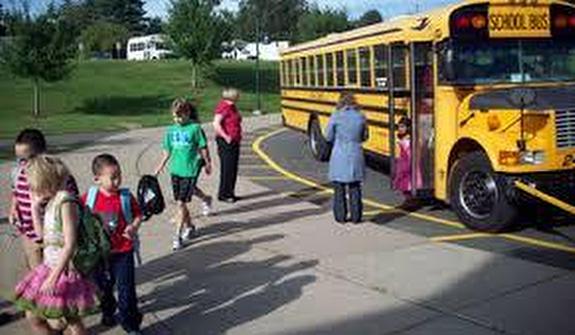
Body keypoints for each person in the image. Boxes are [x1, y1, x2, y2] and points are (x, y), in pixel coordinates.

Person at [13, 155, 97, 335]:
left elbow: (70, 244)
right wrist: (35, 208)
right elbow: (42, 237)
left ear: (45, 181)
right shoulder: (52, 201)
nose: (31, 188)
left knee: (71, 319)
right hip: (49, 266)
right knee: (34, 315)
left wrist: (53, 277)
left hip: (63, 272)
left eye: (33, 184)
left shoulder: (66, 201)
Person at [82, 154, 143, 334]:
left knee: (127, 292)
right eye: (112, 177)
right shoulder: (88, 198)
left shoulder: (125, 196)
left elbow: (138, 214)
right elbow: (75, 215)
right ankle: (108, 310)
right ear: (97, 179)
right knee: (103, 289)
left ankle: (131, 325)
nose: (117, 181)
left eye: (119, 175)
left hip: (123, 251)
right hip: (99, 255)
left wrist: (133, 226)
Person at [9, 129, 80, 270]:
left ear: (43, 154)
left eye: (26, 159)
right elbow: (15, 192)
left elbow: (72, 206)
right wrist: (13, 209)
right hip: (29, 237)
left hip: (55, 241)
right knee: (37, 277)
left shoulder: (60, 177)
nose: (22, 164)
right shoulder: (18, 173)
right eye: (18, 159)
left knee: (57, 281)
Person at [155, 98, 212, 251]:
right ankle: (193, 221)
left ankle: (177, 237)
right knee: (184, 198)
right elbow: (167, 151)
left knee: (181, 203)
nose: (177, 119)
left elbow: (203, 147)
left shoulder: (195, 128)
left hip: (190, 169)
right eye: (174, 116)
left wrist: (208, 162)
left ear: (187, 113)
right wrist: (159, 167)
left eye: (179, 116)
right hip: (176, 170)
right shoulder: (171, 130)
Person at [326, 92, 368, 224]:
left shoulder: (336, 116)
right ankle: (356, 217)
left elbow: (328, 136)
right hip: (356, 152)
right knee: (355, 186)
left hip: (339, 153)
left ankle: (341, 216)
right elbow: (365, 136)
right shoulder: (361, 116)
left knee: (339, 187)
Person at [213, 88, 242, 203]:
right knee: (227, 168)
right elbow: (216, 123)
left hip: (234, 141)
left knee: (233, 168)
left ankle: (230, 192)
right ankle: (224, 194)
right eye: (237, 95)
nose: (239, 96)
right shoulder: (224, 107)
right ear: (233, 96)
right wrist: (226, 136)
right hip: (226, 142)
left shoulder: (232, 107)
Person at [393, 117, 417, 205]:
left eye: (402, 127)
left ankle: (410, 201)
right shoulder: (403, 139)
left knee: (407, 184)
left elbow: (409, 154)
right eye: (399, 127)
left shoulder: (407, 140)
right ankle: (409, 200)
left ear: (408, 128)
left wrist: (405, 167)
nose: (400, 129)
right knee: (404, 185)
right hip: (403, 163)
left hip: (406, 164)